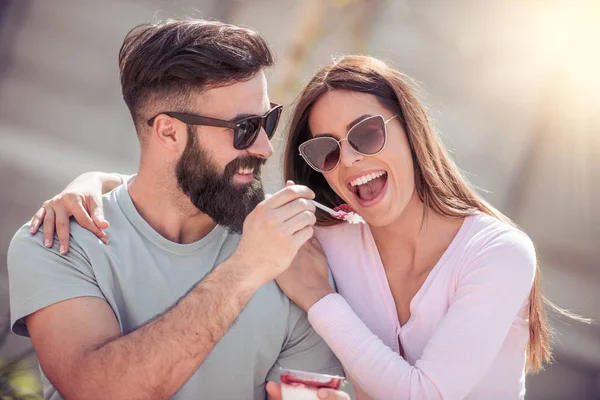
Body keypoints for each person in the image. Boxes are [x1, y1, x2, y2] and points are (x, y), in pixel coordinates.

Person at [26, 57, 563, 399]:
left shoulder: (499, 253)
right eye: (325, 149)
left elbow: (422, 394)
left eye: (367, 134)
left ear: (411, 129)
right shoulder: (326, 235)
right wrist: (90, 183)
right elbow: (194, 187)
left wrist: (317, 298)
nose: (350, 160)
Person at [8, 19, 350, 400]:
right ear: (169, 132)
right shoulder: (59, 243)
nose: (265, 148)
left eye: (267, 121)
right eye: (244, 128)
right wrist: (246, 269)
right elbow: (97, 390)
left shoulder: (295, 258)